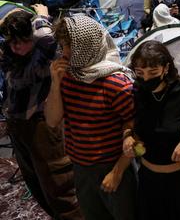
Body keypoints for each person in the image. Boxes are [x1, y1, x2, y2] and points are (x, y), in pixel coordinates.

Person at [44, 16, 136, 220]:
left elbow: (137, 133)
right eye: (62, 46)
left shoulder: (116, 84)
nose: (64, 53)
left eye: (68, 46)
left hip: (112, 166)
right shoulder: (69, 76)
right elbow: (52, 121)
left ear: (85, 46)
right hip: (81, 166)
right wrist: (55, 84)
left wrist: (118, 172)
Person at [0, 7, 84, 220]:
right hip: (18, 125)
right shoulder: (11, 54)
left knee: (60, 185)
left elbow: (46, 34)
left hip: (41, 126)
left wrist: (39, 16)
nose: (16, 46)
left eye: (22, 40)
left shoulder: (44, 50)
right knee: (36, 183)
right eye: (12, 41)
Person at [123, 41, 180, 220]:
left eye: (152, 72)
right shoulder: (138, 91)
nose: (146, 79)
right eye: (140, 73)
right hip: (149, 181)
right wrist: (129, 137)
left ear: (166, 68)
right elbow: (134, 123)